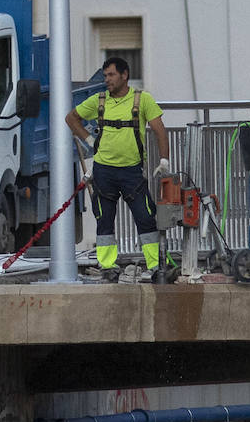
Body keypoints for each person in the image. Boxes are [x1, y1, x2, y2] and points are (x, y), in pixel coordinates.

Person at [64, 56, 171, 283]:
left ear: (125, 75)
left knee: (145, 217)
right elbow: (71, 118)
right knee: (104, 219)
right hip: (104, 171)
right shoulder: (99, 100)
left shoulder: (142, 100)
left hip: (131, 171)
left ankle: (155, 265)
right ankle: (108, 267)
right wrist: (90, 142)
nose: (107, 80)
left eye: (111, 75)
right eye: (105, 76)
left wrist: (164, 160)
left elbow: (160, 130)